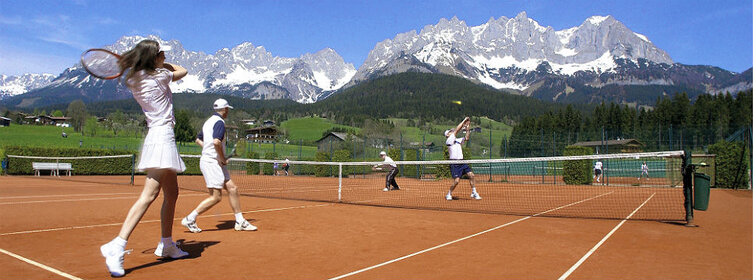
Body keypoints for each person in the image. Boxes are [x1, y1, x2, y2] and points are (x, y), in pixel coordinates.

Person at [99, 40, 189, 277]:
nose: (164, 55)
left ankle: (167, 244)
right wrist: (163, 63)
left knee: (172, 194)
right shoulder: (159, 77)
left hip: (158, 136)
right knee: (149, 195)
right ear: (154, 59)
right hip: (162, 138)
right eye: (160, 53)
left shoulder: (134, 80)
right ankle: (117, 245)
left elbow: (154, 69)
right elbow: (183, 70)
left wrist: (154, 61)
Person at [180, 98, 258, 234]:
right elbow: (216, 142)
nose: (228, 111)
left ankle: (240, 221)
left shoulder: (208, 122)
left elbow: (198, 139)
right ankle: (190, 218)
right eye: (227, 109)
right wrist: (221, 158)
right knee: (216, 197)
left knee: (232, 188)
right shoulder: (220, 122)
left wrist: (210, 151)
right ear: (224, 109)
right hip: (212, 163)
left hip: (213, 161)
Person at [444, 117, 481, 200]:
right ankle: (449, 193)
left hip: (462, 162)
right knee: (456, 181)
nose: (452, 131)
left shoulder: (457, 140)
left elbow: (466, 138)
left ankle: (474, 192)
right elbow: (457, 130)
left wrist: (468, 128)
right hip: (454, 163)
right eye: (450, 132)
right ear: (447, 135)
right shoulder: (449, 141)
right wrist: (464, 121)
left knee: (471, 175)